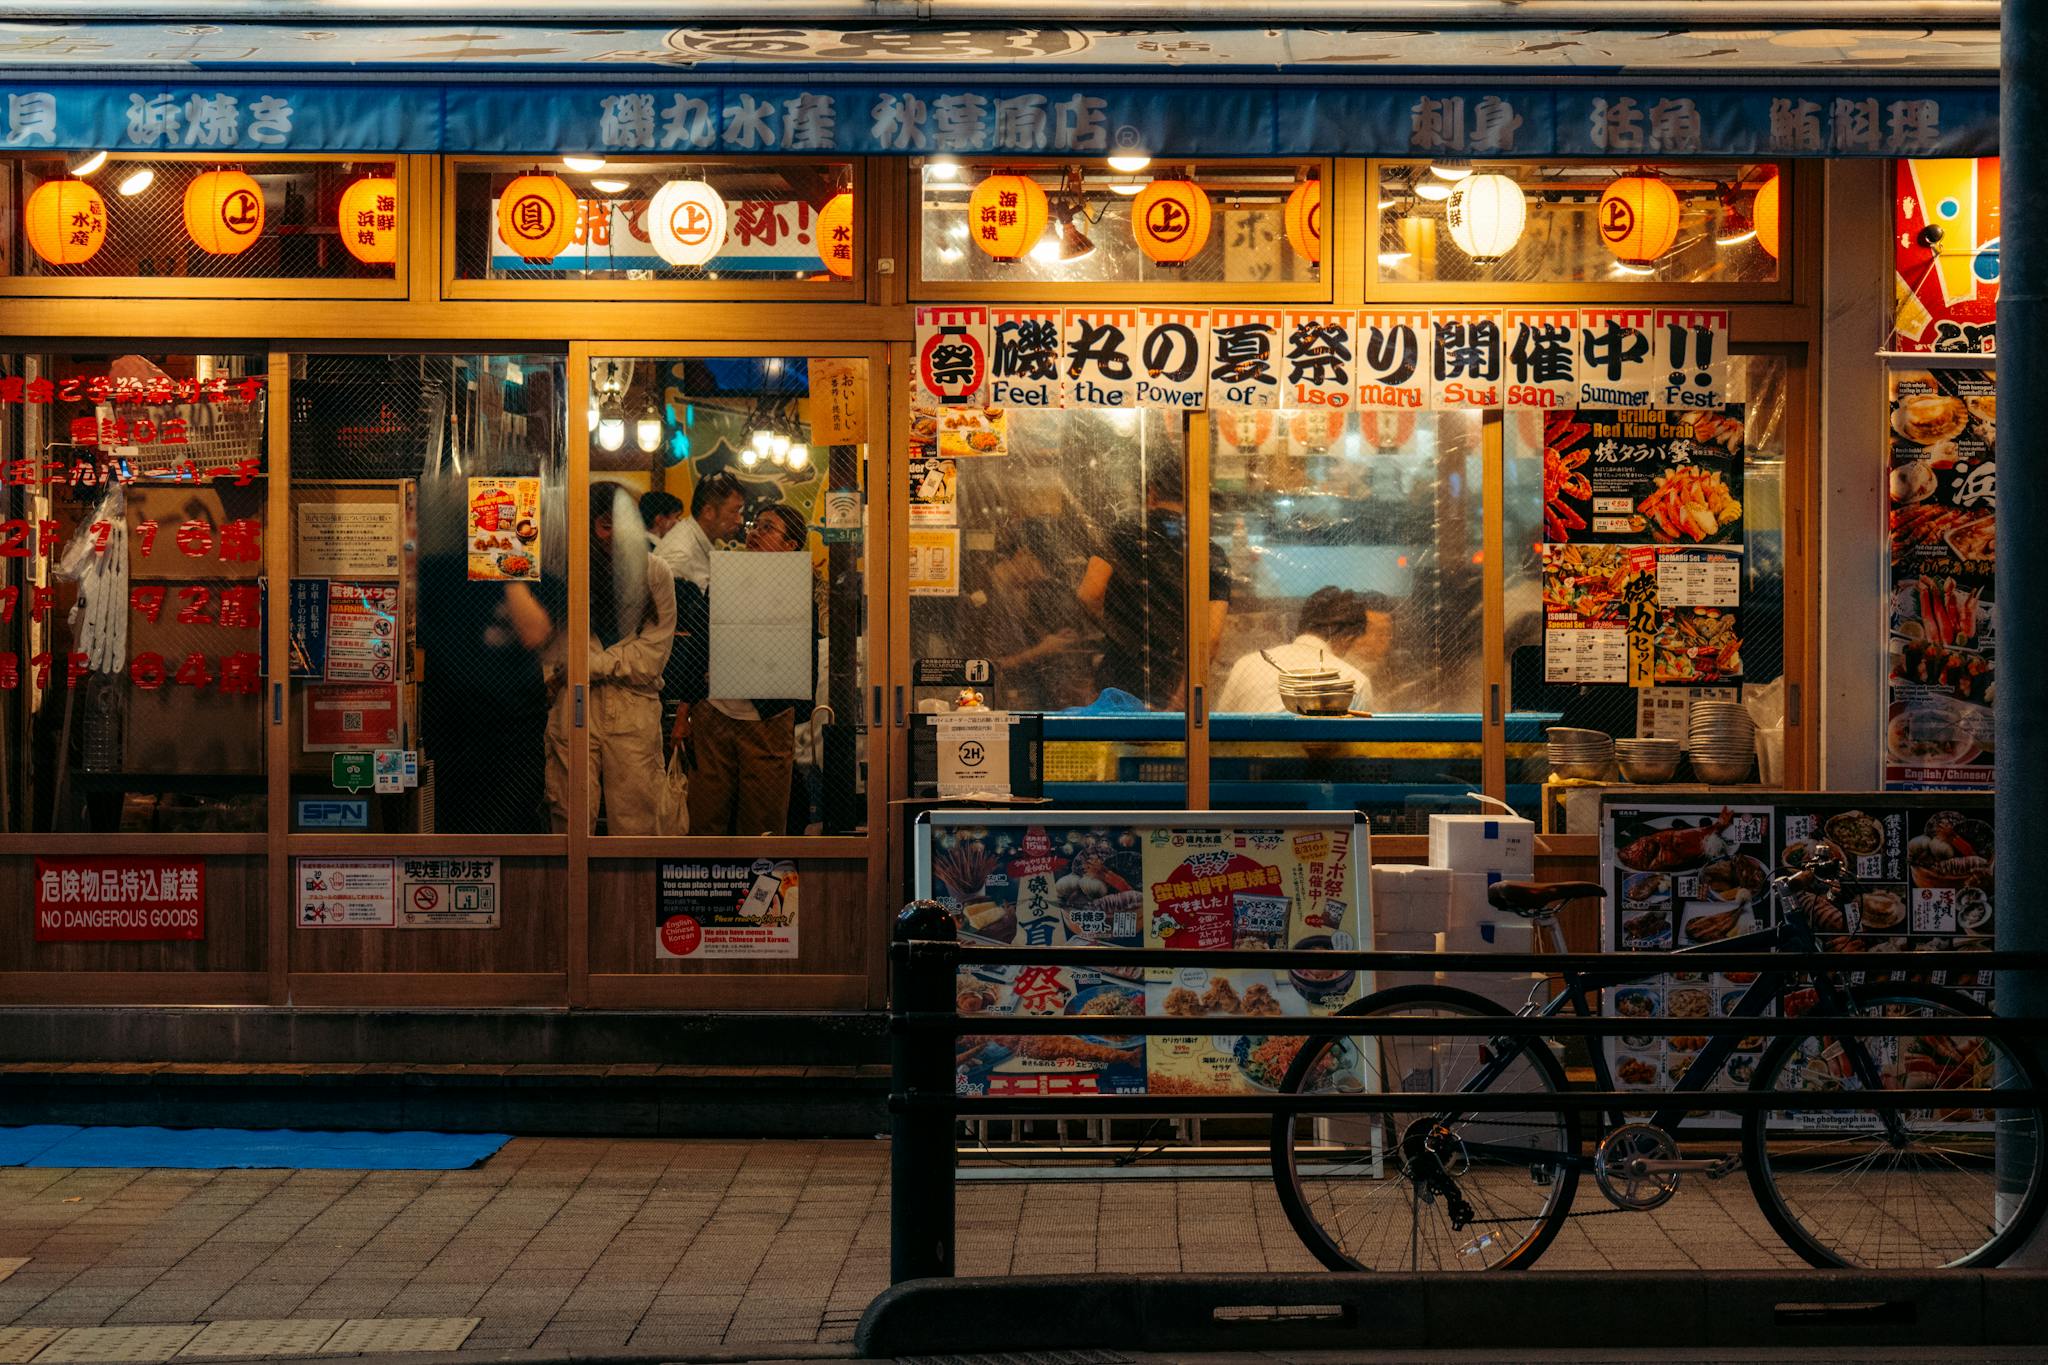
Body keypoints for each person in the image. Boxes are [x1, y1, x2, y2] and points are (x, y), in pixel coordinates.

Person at [509, 482, 676, 834]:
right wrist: (590, 665)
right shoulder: (564, 573)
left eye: (623, 523)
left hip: (633, 705)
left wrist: (587, 665)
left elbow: (652, 657)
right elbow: (549, 648)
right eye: (604, 524)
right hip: (573, 701)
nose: (615, 535)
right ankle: (571, 891)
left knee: (637, 821)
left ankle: (632, 892)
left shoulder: (655, 571)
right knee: (570, 817)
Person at [686, 502, 818, 837]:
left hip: (767, 717)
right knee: (707, 818)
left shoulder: (798, 590)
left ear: (790, 546)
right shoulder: (724, 579)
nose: (755, 533)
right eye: (754, 525)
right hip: (714, 712)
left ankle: (761, 889)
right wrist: (691, 703)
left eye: (768, 528)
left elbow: (805, 654)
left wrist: (793, 709)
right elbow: (700, 643)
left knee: (762, 823)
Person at [1075, 460, 1231, 709]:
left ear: (1152, 492)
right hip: (1174, 681)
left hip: (1118, 675)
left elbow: (1089, 593)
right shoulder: (1211, 552)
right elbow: (1210, 637)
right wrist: (1181, 699)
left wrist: (1121, 628)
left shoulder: (1122, 534)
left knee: (1117, 745)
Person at [651, 471, 745, 751]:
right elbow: (669, 621)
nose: (739, 520)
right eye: (734, 511)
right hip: (675, 673)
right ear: (708, 511)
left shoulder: (697, 541)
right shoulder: (679, 555)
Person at [1216, 587, 1394, 714]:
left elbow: (1219, 731)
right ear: (1347, 638)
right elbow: (1358, 750)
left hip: (1249, 765)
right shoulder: (1355, 682)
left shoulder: (1248, 664)